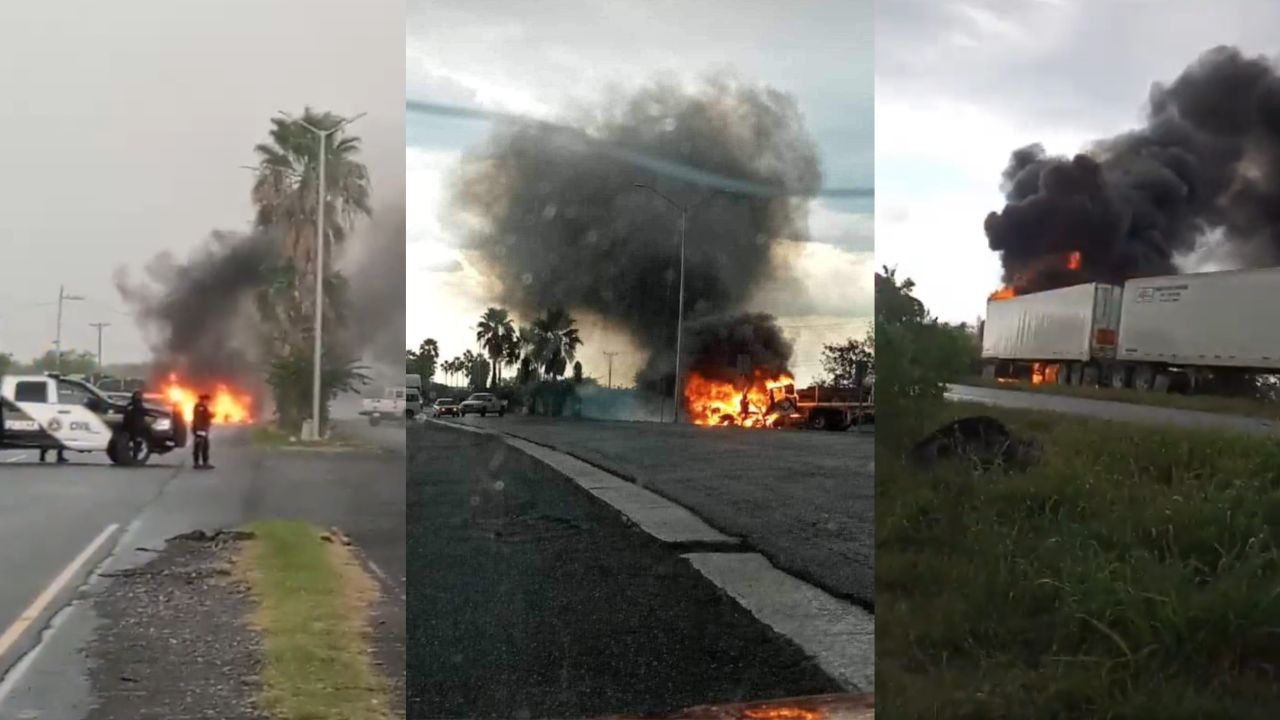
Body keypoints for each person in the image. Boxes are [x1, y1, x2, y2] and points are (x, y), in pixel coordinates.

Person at [123, 390, 150, 460]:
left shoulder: (131, 405)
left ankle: (134, 455)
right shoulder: (138, 406)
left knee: (136, 441)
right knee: (137, 441)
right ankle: (135, 455)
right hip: (136, 427)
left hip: (132, 427)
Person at [192, 393, 213, 469]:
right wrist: (198, 430)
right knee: (199, 446)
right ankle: (197, 463)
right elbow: (199, 419)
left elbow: (207, 416)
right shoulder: (200, 407)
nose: (208, 402)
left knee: (205, 446)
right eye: (207, 400)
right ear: (203, 400)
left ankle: (205, 462)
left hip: (203, 430)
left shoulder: (203, 407)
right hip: (200, 430)